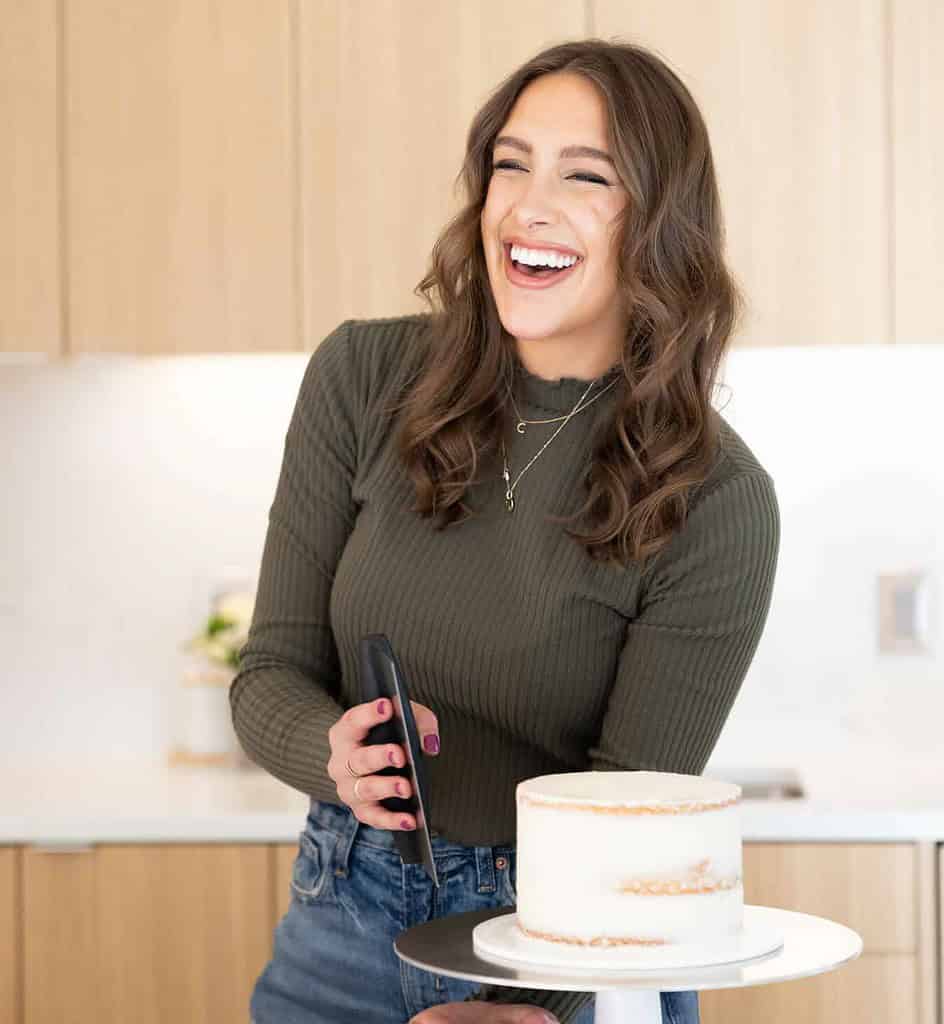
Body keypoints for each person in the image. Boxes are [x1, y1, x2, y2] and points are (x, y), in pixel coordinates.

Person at [232, 37, 781, 1024]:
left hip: (569, 941)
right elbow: (268, 668)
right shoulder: (363, 378)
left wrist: (532, 1004)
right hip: (340, 919)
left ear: (658, 223)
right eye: (510, 163)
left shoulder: (715, 497)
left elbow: (631, 818)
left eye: (587, 176)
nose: (529, 204)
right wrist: (335, 754)